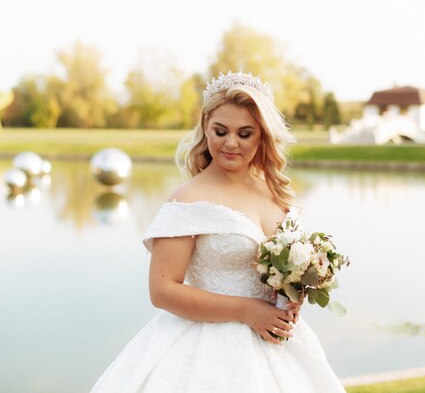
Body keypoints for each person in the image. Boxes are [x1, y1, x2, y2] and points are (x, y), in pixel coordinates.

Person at [90, 72, 345, 393]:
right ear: (205, 126)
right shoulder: (188, 200)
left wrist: (293, 296)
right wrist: (248, 310)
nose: (230, 143)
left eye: (245, 133)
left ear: (262, 135)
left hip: (280, 346)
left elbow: (284, 273)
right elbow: (162, 290)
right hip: (205, 349)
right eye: (220, 131)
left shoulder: (277, 194)